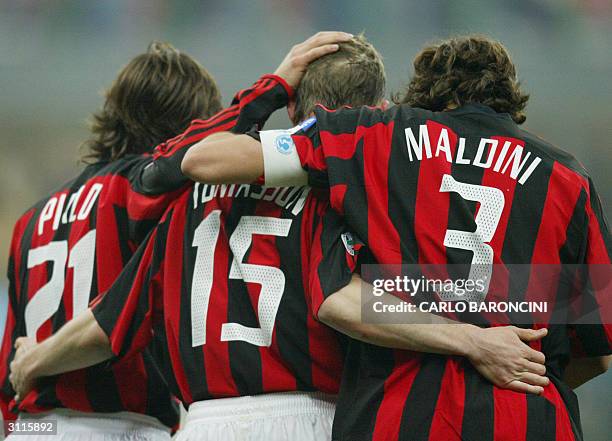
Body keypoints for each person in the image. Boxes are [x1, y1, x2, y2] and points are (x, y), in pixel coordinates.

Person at [11, 35, 554, 441]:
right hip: (313, 415)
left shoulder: (182, 200)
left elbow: (114, 319)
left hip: (201, 422)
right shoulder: (345, 194)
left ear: (291, 109)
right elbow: (347, 302)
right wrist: (480, 334)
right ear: (380, 112)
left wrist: (32, 362)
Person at [179, 35, 611, 440]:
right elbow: (598, 349)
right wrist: (520, 373)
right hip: (528, 418)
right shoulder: (569, 176)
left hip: (400, 415)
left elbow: (205, 161)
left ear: (423, 97)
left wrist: (274, 87)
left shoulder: (378, 133)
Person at [0, 38, 319, 440]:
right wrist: (272, 87)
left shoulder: (29, 220)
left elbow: (9, 367)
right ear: (187, 124)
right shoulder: (138, 191)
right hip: (124, 425)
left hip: (33, 429)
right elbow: (118, 318)